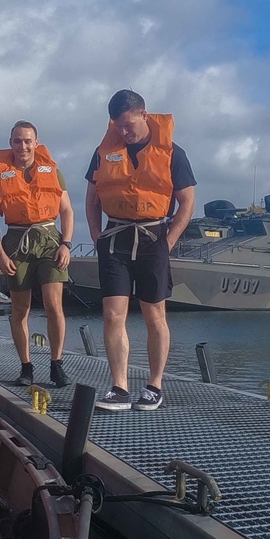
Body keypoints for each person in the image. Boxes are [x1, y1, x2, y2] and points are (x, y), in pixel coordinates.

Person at [85, 90, 196, 411]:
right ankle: (119, 388)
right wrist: (96, 235)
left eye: (128, 125)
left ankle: (154, 386)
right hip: (115, 239)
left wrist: (169, 240)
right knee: (112, 315)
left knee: (154, 315)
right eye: (118, 126)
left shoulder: (174, 153)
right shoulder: (104, 152)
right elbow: (91, 198)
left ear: (144, 115)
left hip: (153, 238)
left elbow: (187, 202)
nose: (123, 132)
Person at [0, 120, 73, 388]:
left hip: (49, 239)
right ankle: (26, 367)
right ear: (10, 143)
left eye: (27, 141)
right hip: (16, 241)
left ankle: (56, 365)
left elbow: (67, 211)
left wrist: (66, 244)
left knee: (53, 304)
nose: (22, 146)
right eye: (17, 141)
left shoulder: (54, 172)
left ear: (36, 142)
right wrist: (0, 252)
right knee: (19, 308)